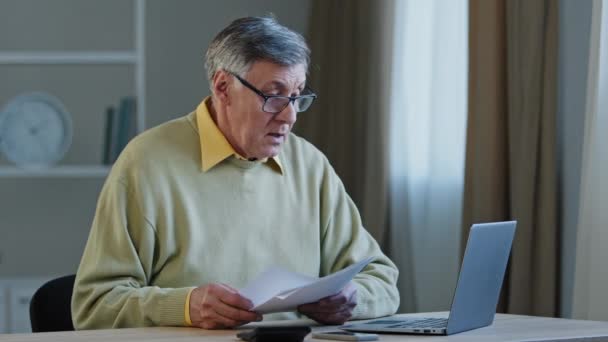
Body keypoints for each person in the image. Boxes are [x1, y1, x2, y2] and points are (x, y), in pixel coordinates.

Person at [71, 16, 399, 330]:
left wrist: (353, 299)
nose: (289, 117)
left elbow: (382, 280)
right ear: (223, 87)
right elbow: (95, 305)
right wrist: (186, 307)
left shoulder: (310, 165)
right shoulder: (145, 164)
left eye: (297, 97)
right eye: (274, 96)